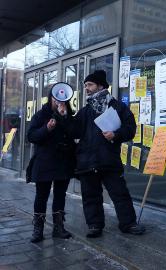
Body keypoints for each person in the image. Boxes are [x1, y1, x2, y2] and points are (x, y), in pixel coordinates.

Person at [58, 70, 145, 238]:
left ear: (101, 85)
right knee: (91, 196)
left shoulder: (118, 107)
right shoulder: (85, 110)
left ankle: (128, 224)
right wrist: (66, 117)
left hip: (109, 159)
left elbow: (130, 129)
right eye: (85, 86)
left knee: (120, 194)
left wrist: (116, 135)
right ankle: (95, 225)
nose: (87, 89)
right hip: (87, 161)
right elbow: (74, 131)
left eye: (89, 85)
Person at [27, 85, 76, 242]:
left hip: (63, 161)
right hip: (45, 162)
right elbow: (31, 136)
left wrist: (66, 118)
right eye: (56, 99)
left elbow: (76, 133)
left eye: (62, 100)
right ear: (51, 98)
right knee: (41, 196)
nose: (59, 102)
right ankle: (38, 229)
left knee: (60, 195)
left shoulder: (69, 115)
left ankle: (58, 227)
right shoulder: (41, 115)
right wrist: (46, 128)